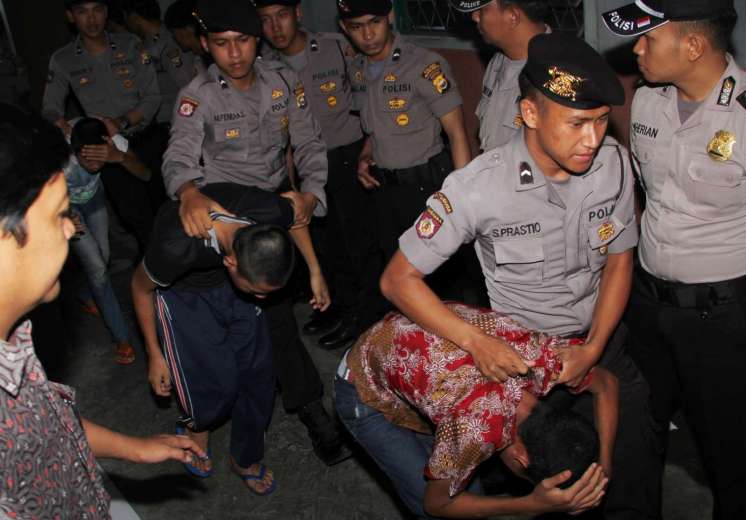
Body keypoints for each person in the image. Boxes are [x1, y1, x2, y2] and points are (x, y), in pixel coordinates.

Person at [380, 32, 661, 519]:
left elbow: (619, 259)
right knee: (544, 492)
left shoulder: (613, 165)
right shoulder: (477, 188)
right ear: (530, 113)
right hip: (520, 366)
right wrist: (477, 343)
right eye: (577, 123)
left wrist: (593, 347)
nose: (592, 139)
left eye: (600, 121)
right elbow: (397, 280)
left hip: (600, 341)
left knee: (630, 472)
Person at [602, 1, 746, 518]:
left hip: (725, 320)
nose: (637, 49)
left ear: (694, 45)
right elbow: (646, 191)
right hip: (648, 307)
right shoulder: (647, 99)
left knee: (735, 455)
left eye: (649, 39)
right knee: (637, 435)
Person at [162, 0, 350, 466]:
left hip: (275, 207)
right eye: (221, 43)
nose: (234, 54)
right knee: (234, 324)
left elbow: (308, 142)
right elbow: (179, 154)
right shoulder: (198, 95)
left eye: (243, 41)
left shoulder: (283, 81)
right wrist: (187, 191)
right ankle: (215, 411)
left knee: (275, 316)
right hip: (224, 216)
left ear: (257, 40)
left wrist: (312, 195)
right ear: (205, 45)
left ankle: (306, 406)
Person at [0, 102, 204, 519]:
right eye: (58, 215)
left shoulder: (15, 338)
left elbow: (49, 422)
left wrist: (136, 449)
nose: (70, 228)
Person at [131, 182, 327, 494]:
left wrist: (315, 271)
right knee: (212, 379)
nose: (264, 299)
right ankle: (197, 426)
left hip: (234, 288)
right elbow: (140, 288)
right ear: (230, 261)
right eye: (260, 292)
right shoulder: (175, 245)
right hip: (185, 294)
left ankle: (244, 458)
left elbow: (297, 214)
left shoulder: (267, 210)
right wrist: (154, 354)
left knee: (260, 375)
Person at [334, 302, 616, 519]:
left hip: (400, 339)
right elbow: (436, 504)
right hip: (362, 388)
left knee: (466, 490)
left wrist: (604, 464)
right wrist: (531, 504)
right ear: (521, 457)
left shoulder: (544, 361)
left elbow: (606, 385)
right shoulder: (475, 430)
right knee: (442, 507)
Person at [258, 0, 383, 349]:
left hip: (345, 157)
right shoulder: (264, 66)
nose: (275, 28)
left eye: (282, 16)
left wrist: (369, 148)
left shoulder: (337, 48)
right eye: (266, 20)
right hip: (304, 164)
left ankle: (365, 317)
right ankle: (338, 306)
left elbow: (368, 96)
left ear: (297, 13)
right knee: (324, 245)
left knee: (358, 243)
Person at [338, 0, 472, 267]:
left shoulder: (424, 65)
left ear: (389, 16)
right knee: (395, 267)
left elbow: (457, 133)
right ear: (344, 27)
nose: (367, 35)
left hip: (425, 187)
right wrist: (366, 154)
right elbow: (375, 126)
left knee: (436, 272)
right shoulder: (357, 69)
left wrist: (462, 201)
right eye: (356, 27)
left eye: (374, 22)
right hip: (384, 191)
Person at [42, 0, 162, 250]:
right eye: (82, 12)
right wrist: (59, 123)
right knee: (137, 219)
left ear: (106, 12)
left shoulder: (130, 44)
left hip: (148, 138)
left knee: (166, 209)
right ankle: (152, 264)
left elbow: (153, 97)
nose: (91, 19)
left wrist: (122, 121)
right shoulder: (63, 59)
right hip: (108, 151)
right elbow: (50, 107)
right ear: (71, 16)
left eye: (97, 10)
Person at [66, 117, 150, 365]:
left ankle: (85, 294)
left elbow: (146, 174)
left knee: (103, 257)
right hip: (68, 206)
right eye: (87, 160)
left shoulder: (109, 140)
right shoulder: (57, 155)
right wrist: (62, 214)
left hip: (94, 200)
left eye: (99, 158)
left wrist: (119, 156)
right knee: (99, 271)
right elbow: (35, 189)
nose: (94, 165)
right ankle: (121, 338)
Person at [450, 0, 549, 152]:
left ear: (512, 17)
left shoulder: (558, 72)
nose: (475, 17)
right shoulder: (498, 63)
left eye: (482, 10)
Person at [123, 0, 200, 124]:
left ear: (134, 18)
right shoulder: (145, 45)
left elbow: (189, 85)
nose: (126, 23)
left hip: (178, 120)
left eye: (126, 17)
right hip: (160, 120)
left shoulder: (171, 41)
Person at [164, 0, 211, 72]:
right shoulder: (199, 59)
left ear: (189, 29)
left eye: (173, 32)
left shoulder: (213, 57)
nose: (174, 38)